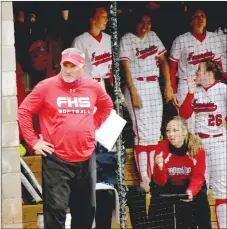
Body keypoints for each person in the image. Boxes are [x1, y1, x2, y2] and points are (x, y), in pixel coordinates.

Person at [18, 48, 113, 229]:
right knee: (56, 211)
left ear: (82, 67)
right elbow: (24, 111)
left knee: (86, 211)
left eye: (73, 66)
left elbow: (107, 105)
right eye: (65, 66)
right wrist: (33, 141)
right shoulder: (46, 86)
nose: (68, 70)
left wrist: (92, 126)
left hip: (86, 157)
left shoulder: (92, 86)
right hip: (56, 159)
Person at [119, 9, 173, 193]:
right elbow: (125, 68)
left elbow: (164, 61)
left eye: (148, 23)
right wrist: (133, 92)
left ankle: (154, 177)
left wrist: (168, 85)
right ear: (135, 23)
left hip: (153, 85)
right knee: (142, 134)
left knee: (154, 133)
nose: (145, 26)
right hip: (137, 85)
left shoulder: (154, 36)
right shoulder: (127, 39)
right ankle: (145, 179)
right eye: (142, 22)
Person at [179, 59, 226, 229]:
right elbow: (183, 114)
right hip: (199, 145)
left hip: (219, 142)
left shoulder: (222, 89)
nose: (196, 72)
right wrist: (190, 93)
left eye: (199, 69)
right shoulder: (195, 91)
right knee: (199, 189)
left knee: (222, 190)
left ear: (209, 73)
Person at [149, 116, 212, 229]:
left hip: (189, 186)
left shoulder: (197, 148)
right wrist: (160, 167)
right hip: (167, 186)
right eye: (168, 131)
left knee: (201, 201)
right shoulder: (161, 147)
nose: (171, 134)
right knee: (158, 206)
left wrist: (191, 191)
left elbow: (198, 176)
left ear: (184, 132)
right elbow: (160, 181)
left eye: (175, 130)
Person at [169, 8, 224, 132]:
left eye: (203, 16)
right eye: (196, 17)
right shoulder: (181, 40)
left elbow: (219, 65)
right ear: (191, 21)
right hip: (186, 85)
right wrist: (172, 90)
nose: (200, 19)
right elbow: (172, 67)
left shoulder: (214, 38)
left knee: (207, 124)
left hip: (208, 85)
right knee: (186, 124)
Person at [71, 7, 113, 90]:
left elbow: (111, 68)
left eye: (106, 17)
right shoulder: (80, 41)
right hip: (85, 85)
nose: (106, 20)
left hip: (102, 84)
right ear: (93, 19)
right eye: (103, 17)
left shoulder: (109, 39)